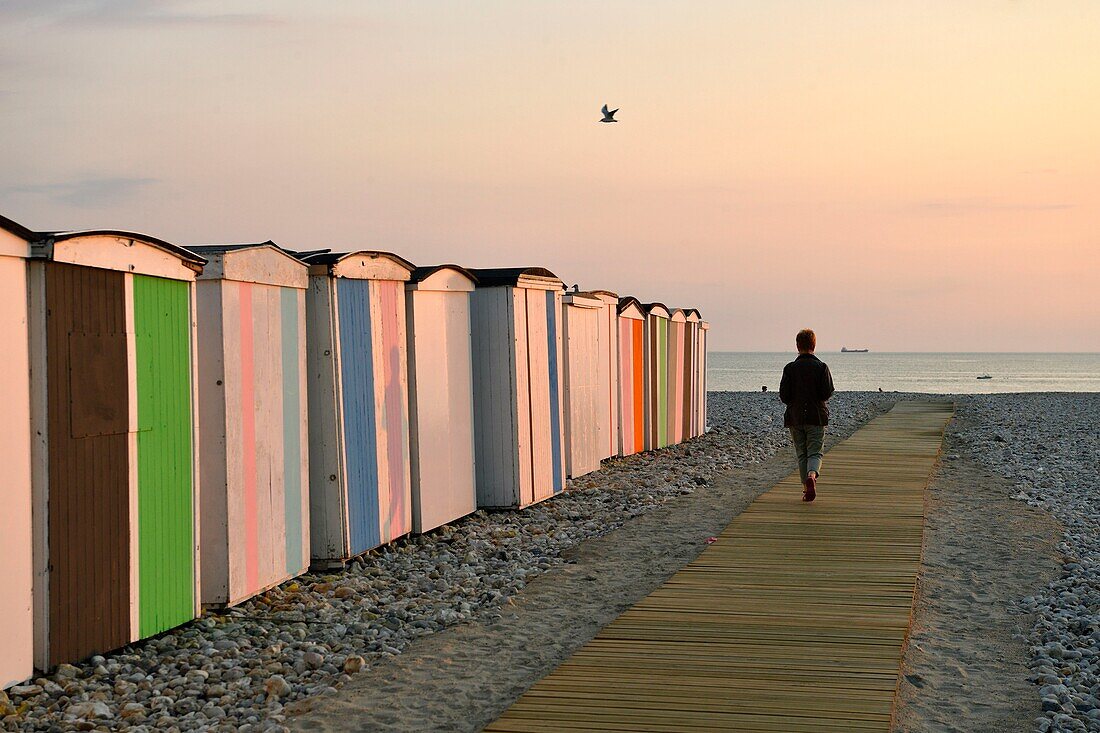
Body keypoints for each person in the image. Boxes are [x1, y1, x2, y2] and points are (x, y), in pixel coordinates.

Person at [779, 329, 835, 502]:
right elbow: (826, 393)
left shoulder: (790, 368)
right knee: (815, 452)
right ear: (814, 345)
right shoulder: (821, 367)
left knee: (801, 453)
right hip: (816, 417)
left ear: (797, 346)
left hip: (795, 418)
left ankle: (805, 488)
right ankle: (812, 475)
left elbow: (784, 396)